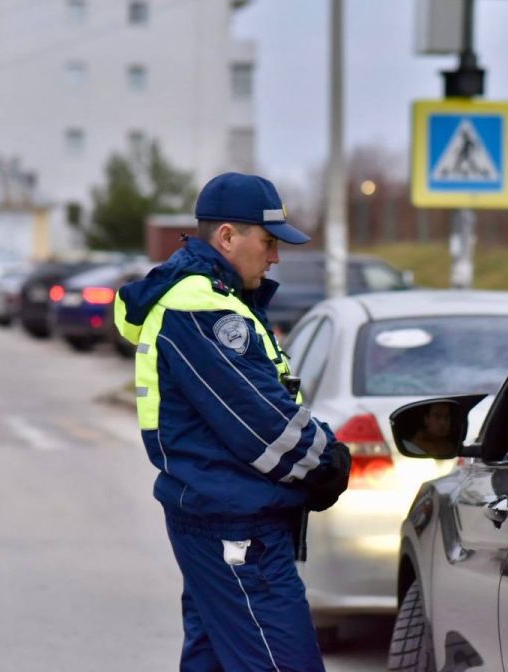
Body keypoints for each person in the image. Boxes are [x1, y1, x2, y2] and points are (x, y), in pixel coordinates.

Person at [114, 172, 351, 672]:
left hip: (219, 515)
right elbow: (263, 424)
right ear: (226, 236)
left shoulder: (216, 298)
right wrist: (326, 461)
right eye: (267, 242)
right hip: (238, 528)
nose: (275, 257)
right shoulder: (201, 308)